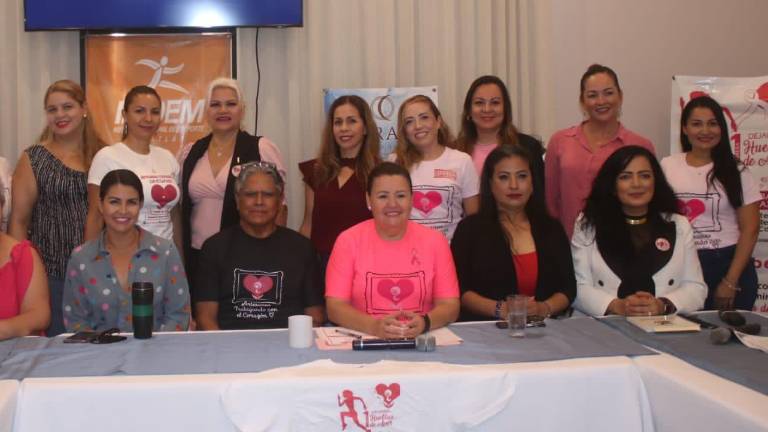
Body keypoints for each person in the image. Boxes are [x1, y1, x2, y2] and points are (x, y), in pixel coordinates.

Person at [9, 79, 106, 335]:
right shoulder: (34, 158)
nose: (60, 115)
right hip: (49, 276)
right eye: (52, 110)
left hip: (100, 272)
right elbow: (19, 221)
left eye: (67, 107)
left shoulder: (105, 155)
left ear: (84, 108)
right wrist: (20, 275)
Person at [180, 78, 288, 300]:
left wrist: (271, 253)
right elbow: (181, 211)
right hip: (198, 257)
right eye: (215, 104)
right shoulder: (191, 152)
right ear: (206, 111)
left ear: (242, 109)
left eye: (230, 104)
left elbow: (280, 207)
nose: (223, 110)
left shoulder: (260, 148)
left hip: (248, 253)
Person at [326, 162, 460, 338]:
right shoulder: (348, 241)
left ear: (412, 199)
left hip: (422, 339)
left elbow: (450, 305)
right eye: (382, 196)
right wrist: (374, 326)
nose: (392, 204)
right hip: (365, 337)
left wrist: (425, 322)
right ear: (368, 200)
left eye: (401, 195)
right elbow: (335, 307)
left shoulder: (436, 242)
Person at [572, 146, 707, 316]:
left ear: (655, 182)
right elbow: (578, 286)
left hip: (662, 327)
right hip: (604, 329)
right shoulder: (588, 225)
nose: (636, 184)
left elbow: (696, 288)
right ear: (612, 186)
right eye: (625, 177)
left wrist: (662, 305)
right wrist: (616, 306)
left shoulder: (678, 224)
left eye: (644, 176)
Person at [452, 146, 575, 321]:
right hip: (485, 331)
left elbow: (568, 288)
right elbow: (459, 290)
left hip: (545, 331)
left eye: (522, 176)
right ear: (490, 184)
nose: (514, 185)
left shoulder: (551, 228)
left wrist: (544, 308)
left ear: (533, 182)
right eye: (503, 177)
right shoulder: (470, 229)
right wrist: (499, 309)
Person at [195, 162, 324, 330]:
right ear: (237, 199)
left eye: (268, 194)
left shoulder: (302, 249)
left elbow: (315, 318)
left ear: (280, 200)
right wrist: (225, 353)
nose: (259, 201)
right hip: (229, 348)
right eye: (250, 194)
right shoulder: (213, 248)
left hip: (288, 348)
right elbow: (205, 319)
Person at [661, 96, 760, 310]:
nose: (705, 131)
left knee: (730, 339)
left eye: (712, 123)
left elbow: (750, 229)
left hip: (728, 263)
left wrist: (730, 281)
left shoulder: (737, 170)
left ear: (722, 128)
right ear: (685, 129)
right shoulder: (668, 166)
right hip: (683, 264)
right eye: (696, 124)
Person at [63, 169, 190, 332]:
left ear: (140, 205)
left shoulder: (165, 252)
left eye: (131, 202)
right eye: (114, 202)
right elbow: (76, 321)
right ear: (101, 205)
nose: (123, 210)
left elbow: (178, 315)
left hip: (156, 353)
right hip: (98, 354)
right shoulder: (81, 259)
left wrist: (152, 351)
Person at [545, 64, 655, 238]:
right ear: (582, 101)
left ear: (620, 96)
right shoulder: (560, 141)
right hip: (568, 245)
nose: (601, 101)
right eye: (592, 95)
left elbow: (649, 202)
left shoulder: (640, 146)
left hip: (622, 243)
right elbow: (550, 202)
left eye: (608, 93)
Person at [85, 86, 181, 249]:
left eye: (155, 112)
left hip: (166, 256)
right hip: (125, 254)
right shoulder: (107, 157)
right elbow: (95, 216)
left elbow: (174, 216)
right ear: (125, 115)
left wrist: (180, 261)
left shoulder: (168, 158)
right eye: (139, 111)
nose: (148, 118)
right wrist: (89, 262)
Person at [299, 95, 381, 272]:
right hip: (321, 264)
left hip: (365, 262)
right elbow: (308, 223)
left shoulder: (380, 172)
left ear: (365, 127)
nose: (344, 128)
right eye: (338, 122)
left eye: (352, 121)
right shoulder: (316, 170)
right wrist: (299, 263)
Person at [391, 95, 479, 241]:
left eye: (424, 117)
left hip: (452, 253)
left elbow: (474, 219)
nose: (418, 125)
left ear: (438, 122)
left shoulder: (462, 161)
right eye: (409, 121)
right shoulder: (394, 163)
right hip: (408, 253)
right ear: (404, 130)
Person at [455, 75, 545, 191]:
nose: (487, 109)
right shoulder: (454, 150)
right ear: (468, 111)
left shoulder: (528, 147)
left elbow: (538, 197)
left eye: (495, 103)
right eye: (479, 103)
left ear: (505, 109)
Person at [0, 175, 50, 340]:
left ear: (2, 208)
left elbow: (39, 316)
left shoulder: (23, 255)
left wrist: (4, 329)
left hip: (17, 358)